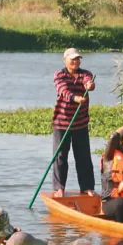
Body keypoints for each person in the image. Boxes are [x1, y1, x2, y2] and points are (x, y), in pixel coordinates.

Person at [51, 48, 96, 198]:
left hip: (80, 123)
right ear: (65, 60)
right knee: (60, 157)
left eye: (78, 59)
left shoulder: (85, 73)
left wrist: (90, 85)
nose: (76, 62)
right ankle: (59, 188)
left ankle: (87, 187)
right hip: (62, 123)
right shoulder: (59, 75)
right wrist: (75, 98)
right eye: (72, 59)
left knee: (83, 157)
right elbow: (62, 90)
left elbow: (88, 82)